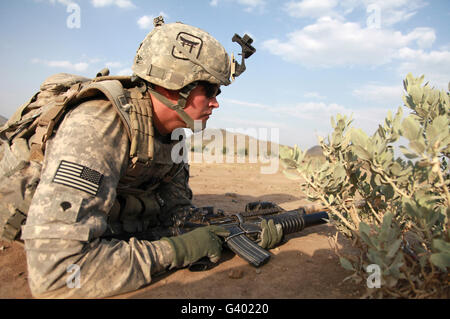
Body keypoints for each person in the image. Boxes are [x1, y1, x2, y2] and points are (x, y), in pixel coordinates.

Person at [0, 18, 282, 298]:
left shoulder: (172, 136)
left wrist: (239, 227)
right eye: (209, 89)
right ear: (176, 85)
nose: (216, 102)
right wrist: (178, 250)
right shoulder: (97, 127)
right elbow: (57, 274)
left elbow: (175, 214)